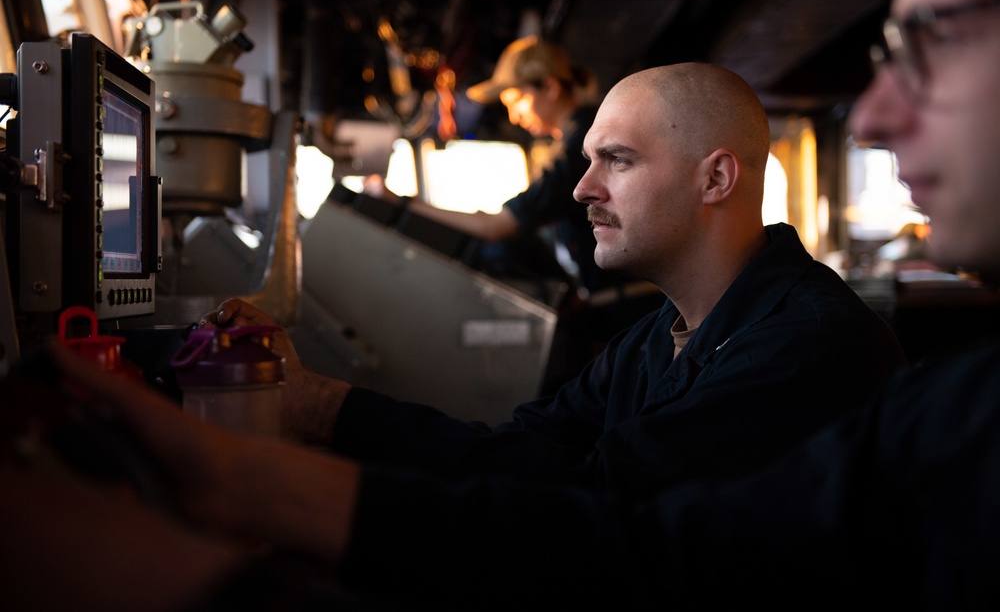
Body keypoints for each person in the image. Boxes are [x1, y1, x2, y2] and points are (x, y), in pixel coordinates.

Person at [2, 61, 909, 608]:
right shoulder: (658, 335)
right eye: (586, 160)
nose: (583, 188)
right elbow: (525, 453)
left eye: (617, 162)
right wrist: (326, 410)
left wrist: (282, 479)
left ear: (718, 179)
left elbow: (587, 518)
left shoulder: (803, 346)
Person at [365, 35, 666, 386]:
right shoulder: (573, 140)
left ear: (549, 87)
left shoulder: (581, 147)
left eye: (516, 99)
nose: (512, 114)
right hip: (616, 309)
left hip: (630, 310)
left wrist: (400, 202)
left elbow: (498, 226)